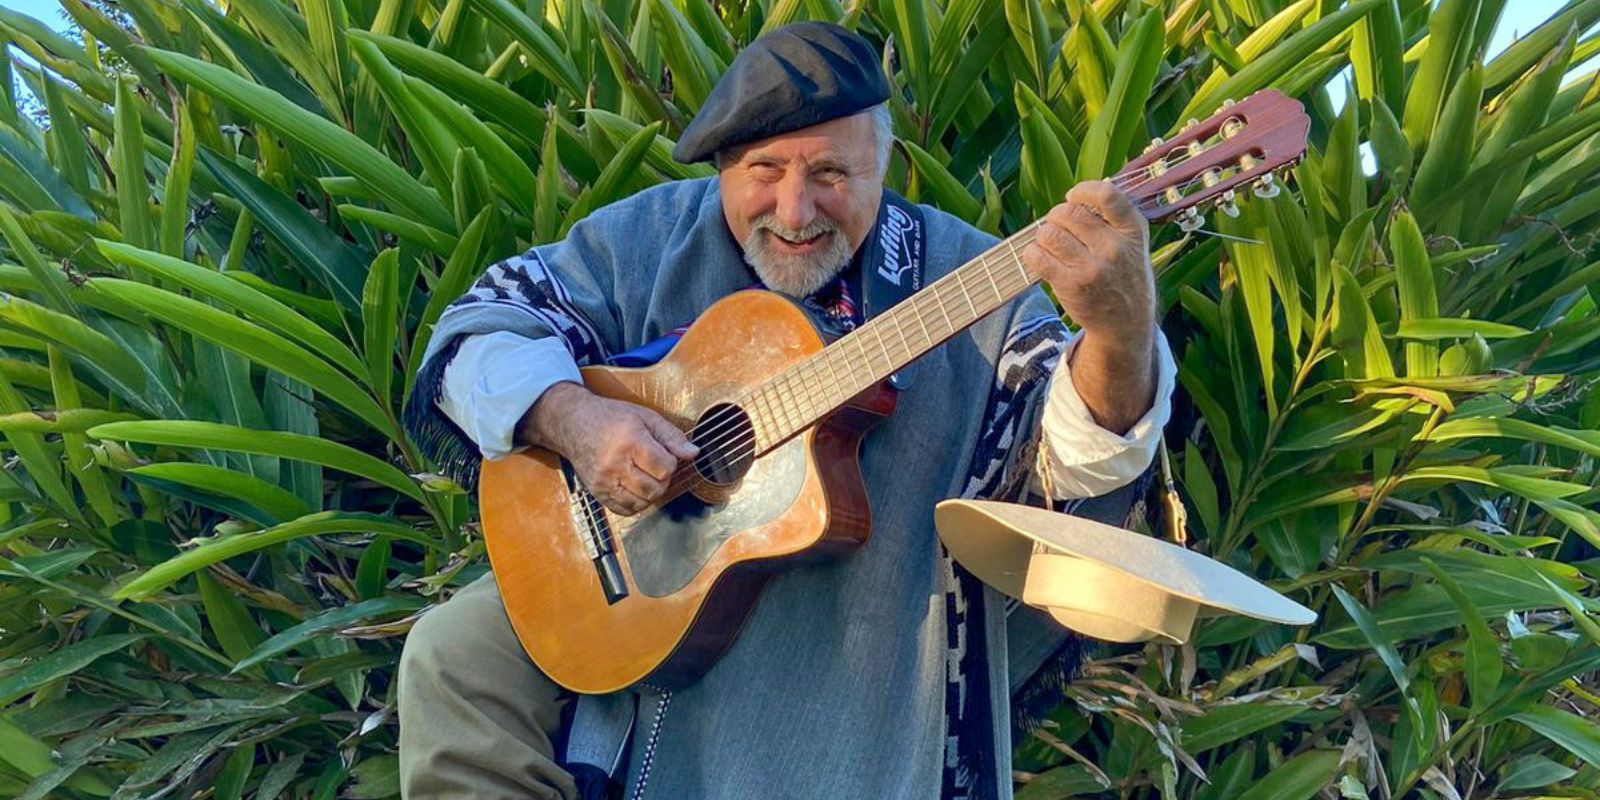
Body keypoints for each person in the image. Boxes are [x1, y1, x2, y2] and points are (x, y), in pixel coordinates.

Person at [398, 21, 1175, 800]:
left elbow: (1071, 458)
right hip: (634, 588)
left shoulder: (969, 278)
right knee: (453, 651)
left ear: (886, 165)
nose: (796, 210)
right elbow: (485, 328)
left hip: (865, 634)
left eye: (831, 173)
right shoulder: (654, 235)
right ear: (723, 169)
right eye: (763, 171)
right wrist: (576, 420)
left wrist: (1122, 330)